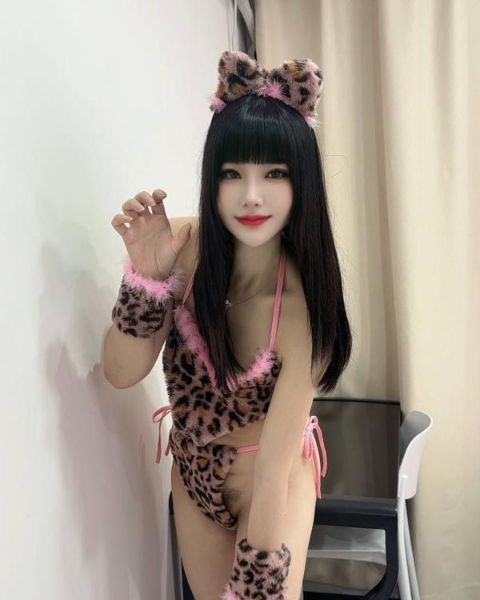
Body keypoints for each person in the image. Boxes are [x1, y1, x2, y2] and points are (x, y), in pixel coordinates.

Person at [104, 50, 352, 600]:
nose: (252, 195)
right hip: (192, 476)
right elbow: (120, 373)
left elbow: (272, 477)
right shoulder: (183, 248)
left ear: (302, 183)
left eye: (274, 174)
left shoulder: (304, 309)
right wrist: (146, 281)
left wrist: (256, 582)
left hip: (270, 480)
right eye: (232, 173)